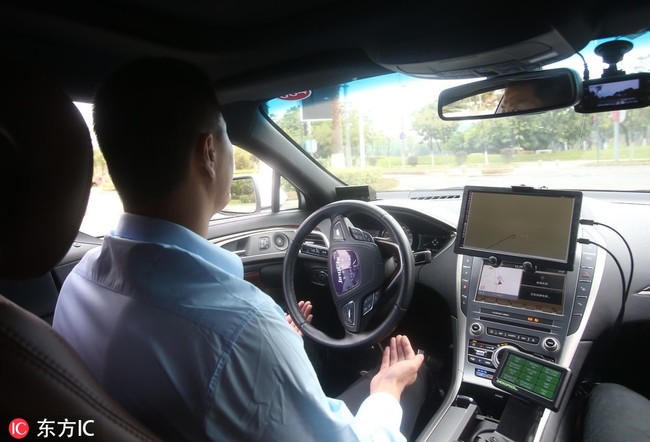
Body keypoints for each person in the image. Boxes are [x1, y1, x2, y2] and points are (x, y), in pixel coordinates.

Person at [52, 57, 425, 441]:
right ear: (209, 152)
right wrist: (387, 391)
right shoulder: (242, 332)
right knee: (417, 381)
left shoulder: (79, 283)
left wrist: (276, 348)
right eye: (229, 137)